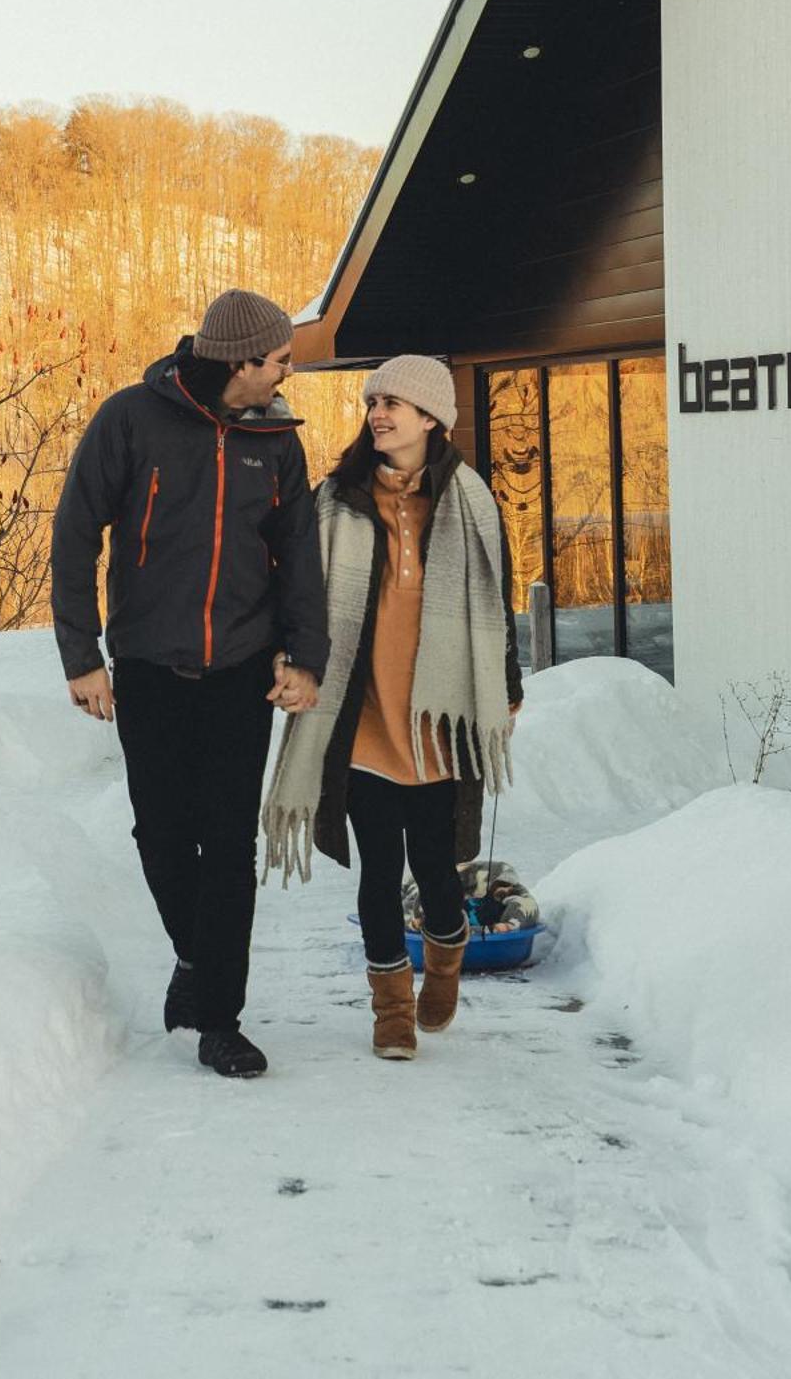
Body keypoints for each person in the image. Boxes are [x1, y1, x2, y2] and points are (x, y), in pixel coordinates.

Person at [51, 289, 329, 1079]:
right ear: (239, 360)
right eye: (278, 361)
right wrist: (82, 655)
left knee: (228, 845)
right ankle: (197, 960)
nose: (285, 374)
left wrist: (304, 658)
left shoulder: (275, 440)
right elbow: (74, 537)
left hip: (240, 673)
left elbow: (298, 559)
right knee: (162, 835)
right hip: (148, 667)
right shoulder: (130, 420)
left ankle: (220, 1018)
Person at [260, 355, 522, 1061]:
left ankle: (446, 951)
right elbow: (303, 598)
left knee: (436, 869)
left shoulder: (469, 499)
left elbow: (497, 604)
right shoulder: (337, 499)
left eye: (394, 403)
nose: (378, 412)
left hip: (438, 722)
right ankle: (391, 1011)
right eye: (373, 401)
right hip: (364, 714)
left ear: (431, 418)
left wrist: (508, 688)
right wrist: (291, 655)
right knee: (379, 868)